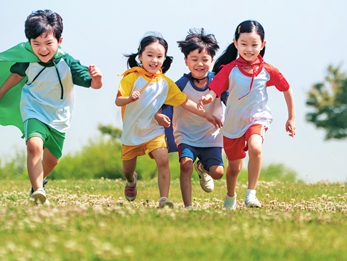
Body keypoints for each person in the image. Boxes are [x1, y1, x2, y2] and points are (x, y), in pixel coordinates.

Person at [0, 10, 102, 205]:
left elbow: (93, 84)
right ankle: (39, 192)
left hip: (59, 116)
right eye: (36, 44)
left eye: (48, 43)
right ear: (30, 42)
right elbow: (16, 75)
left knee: (52, 161)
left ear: (60, 41)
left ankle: (36, 185)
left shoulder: (68, 63)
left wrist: (97, 79)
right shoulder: (27, 59)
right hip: (33, 108)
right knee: (34, 146)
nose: (42, 49)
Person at [115, 34, 222, 209]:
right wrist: (129, 99)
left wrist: (206, 115)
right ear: (140, 56)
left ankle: (164, 199)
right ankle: (131, 181)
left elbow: (184, 102)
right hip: (132, 132)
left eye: (159, 56)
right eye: (149, 55)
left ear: (164, 59)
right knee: (127, 170)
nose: (154, 60)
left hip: (154, 131)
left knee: (163, 160)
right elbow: (118, 101)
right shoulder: (130, 78)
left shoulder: (165, 83)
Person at [200, 20, 295, 210]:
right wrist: (208, 98)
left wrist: (291, 117)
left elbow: (286, 89)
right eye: (243, 44)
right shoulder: (230, 69)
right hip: (234, 123)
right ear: (235, 44)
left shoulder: (268, 70)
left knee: (256, 148)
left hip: (257, 118)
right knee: (234, 168)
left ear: (263, 45)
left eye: (254, 45)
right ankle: (230, 196)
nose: (249, 49)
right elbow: (215, 88)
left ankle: (251, 193)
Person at [159, 29, 225, 210]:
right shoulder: (181, 84)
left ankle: (203, 168)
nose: (200, 64)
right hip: (186, 134)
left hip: (211, 135)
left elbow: (230, 99)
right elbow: (164, 101)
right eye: (194, 59)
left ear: (212, 60)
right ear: (186, 61)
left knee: (218, 173)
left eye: (205, 59)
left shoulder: (219, 81)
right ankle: (188, 207)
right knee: (186, 165)